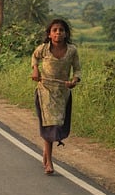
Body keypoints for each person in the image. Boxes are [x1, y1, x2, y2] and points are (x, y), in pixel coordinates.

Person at [31, 19, 82, 175]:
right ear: (49, 34)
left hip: (62, 93)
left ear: (66, 33)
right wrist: (35, 70)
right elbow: (34, 57)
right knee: (50, 124)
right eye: (55, 30)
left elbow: (77, 70)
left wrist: (74, 81)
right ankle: (50, 162)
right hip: (45, 90)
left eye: (61, 30)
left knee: (58, 125)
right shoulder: (43, 49)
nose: (58, 33)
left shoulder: (72, 50)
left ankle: (46, 155)